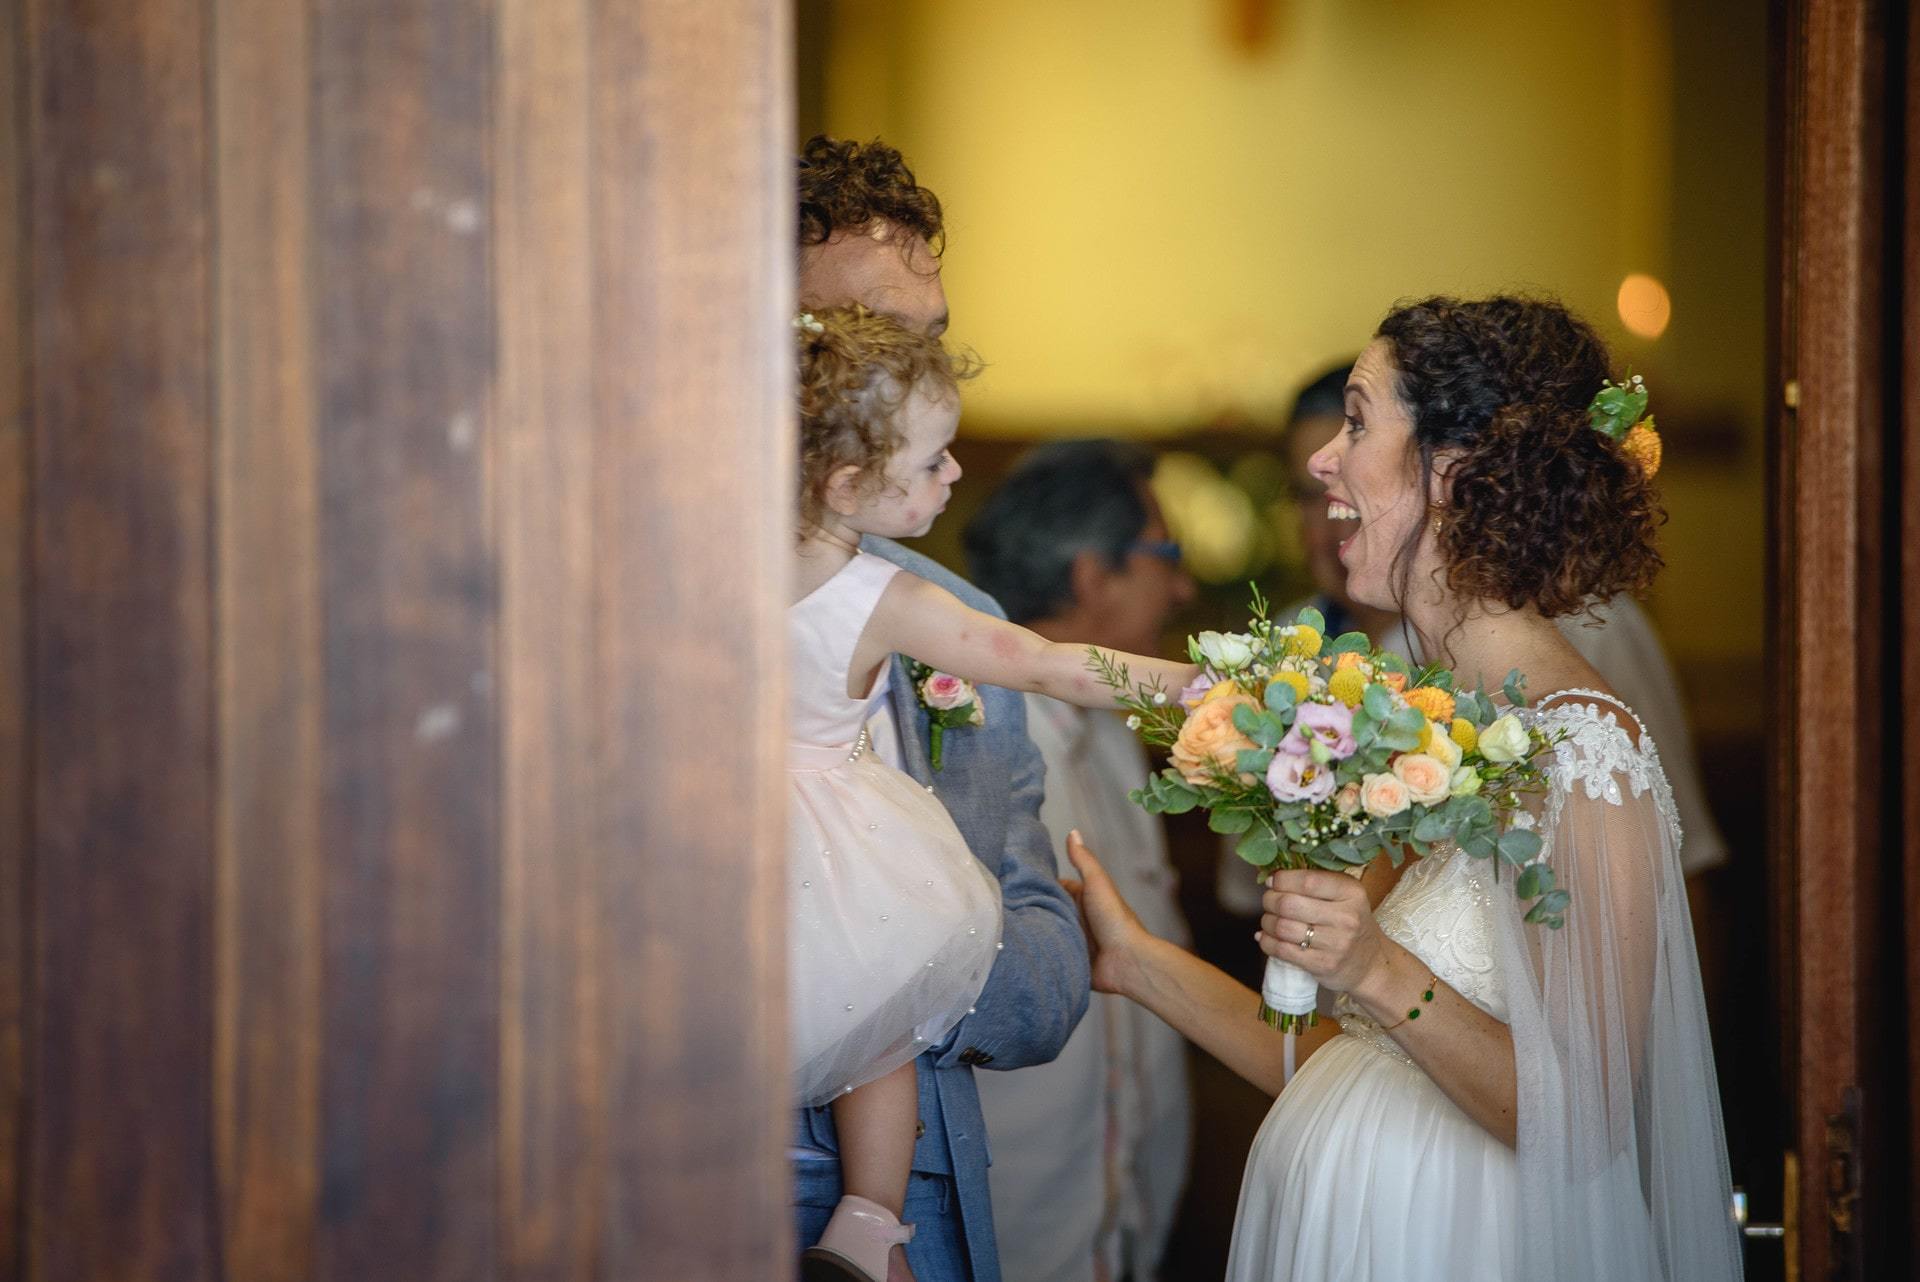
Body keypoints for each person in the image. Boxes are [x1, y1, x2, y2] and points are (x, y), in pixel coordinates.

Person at [1067, 296, 1741, 1281]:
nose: (1320, 462)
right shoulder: (1427, 727)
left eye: (1356, 422)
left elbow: (1589, 1119)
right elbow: (1349, 1057)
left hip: (1465, 1243)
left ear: (1455, 470)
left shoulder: (1587, 753)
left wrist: (1378, 968)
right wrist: (1139, 962)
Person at [789, 305, 1199, 1282]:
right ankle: (870, 1222)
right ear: (847, 484)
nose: (955, 474)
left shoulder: (702, 565)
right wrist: (1201, 683)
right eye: (933, 460)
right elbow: (1047, 664)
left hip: (712, 836)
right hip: (824, 839)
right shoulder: (878, 596)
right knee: (879, 1015)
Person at [790, 136, 1093, 1282]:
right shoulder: (646, 603)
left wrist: (890, 975)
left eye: (929, 336)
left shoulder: (956, 620)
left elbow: (1047, 968)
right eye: (871, 334)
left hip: (919, 1212)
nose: (914, 371)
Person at [961, 440, 1196, 1282]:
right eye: (1167, 553)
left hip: (1126, 1205)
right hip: (1026, 1203)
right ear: (1094, 575)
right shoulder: (970, 746)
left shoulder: (1113, 735)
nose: (1183, 587)